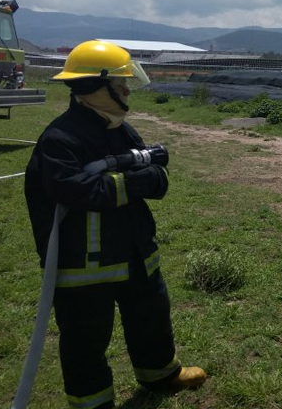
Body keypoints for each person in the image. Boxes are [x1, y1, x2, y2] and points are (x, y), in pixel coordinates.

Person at [25, 40, 206, 409]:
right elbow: (75, 191)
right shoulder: (61, 138)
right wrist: (138, 180)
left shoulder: (120, 129)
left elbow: (155, 176)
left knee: (151, 316)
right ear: (96, 85)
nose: (126, 91)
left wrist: (144, 177)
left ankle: (161, 374)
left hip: (136, 251)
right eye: (120, 83)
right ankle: (93, 403)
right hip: (85, 266)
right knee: (85, 341)